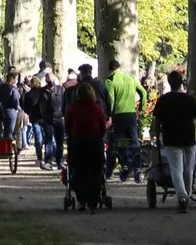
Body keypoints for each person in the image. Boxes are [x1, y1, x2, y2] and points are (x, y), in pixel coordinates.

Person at [151, 70, 196, 214]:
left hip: (171, 139)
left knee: (176, 169)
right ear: (182, 83)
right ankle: (185, 196)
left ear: (169, 83)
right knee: (189, 171)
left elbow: (157, 121)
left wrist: (157, 137)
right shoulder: (189, 99)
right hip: (188, 138)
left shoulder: (164, 100)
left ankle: (182, 197)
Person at [65, 82, 108, 211]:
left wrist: (70, 136)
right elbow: (103, 126)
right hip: (94, 142)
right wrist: (100, 136)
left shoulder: (74, 108)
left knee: (79, 171)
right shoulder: (97, 108)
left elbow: (68, 125)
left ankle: (81, 199)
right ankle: (93, 200)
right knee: (95, 172)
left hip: (78, 142)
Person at [104, 59, 146, 180]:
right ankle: (137, 166)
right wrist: (141, 109)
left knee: (115, 141)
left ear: (110, 69)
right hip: (131, 114)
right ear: (119, 67)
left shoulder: (110, 80)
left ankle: (113, 169)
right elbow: (143, 91)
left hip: (118, 114)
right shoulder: (130, 78)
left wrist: (109, 115)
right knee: (134, 141)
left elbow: (110, 100)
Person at [42, 71, 66, 169]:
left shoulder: (61, 90)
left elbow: (64, 102)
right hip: (48, 119)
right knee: (48, 141)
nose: (50, 80)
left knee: (59, 141)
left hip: (59, 118)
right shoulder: (43, 91)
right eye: (48, 78)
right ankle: (48, 161)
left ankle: (59, 161)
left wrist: (64, 114)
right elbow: (41, 105)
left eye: (51, 78)